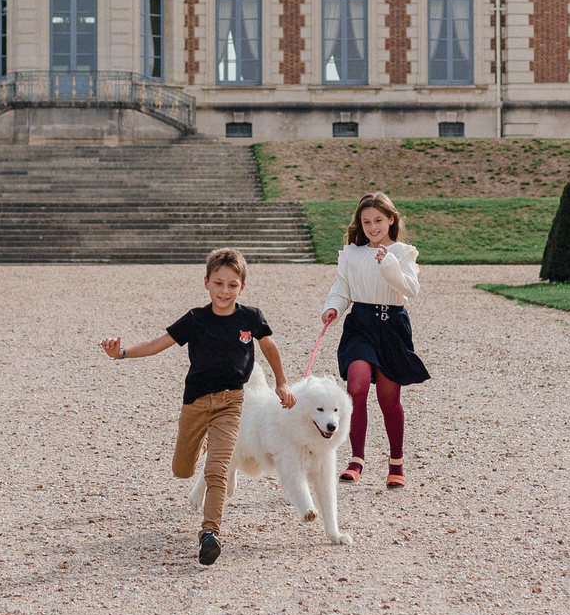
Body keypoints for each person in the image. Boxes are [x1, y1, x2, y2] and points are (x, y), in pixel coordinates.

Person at [102, 246, 290, 566]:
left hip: (231, 403)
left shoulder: (251, 318)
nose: (225, 290)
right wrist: (120, 353)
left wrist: (282, 383)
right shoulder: (195, 319)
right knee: (183, 469)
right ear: (206, 283)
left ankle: (210, 533)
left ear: (242, 287)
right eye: (218, 283)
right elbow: (155, 345)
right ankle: (201, 442)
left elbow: (270, 347)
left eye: (232, 285)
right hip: (195, 404)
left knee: (217, 470)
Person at [320, 191, 429, 488]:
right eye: (366, 222)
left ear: (391, 220)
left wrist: (390, 265)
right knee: (355, 387)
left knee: (388, 399)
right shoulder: (352, 254)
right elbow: (342, 288)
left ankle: (396, 463)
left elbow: (411, 290)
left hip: (393, 327)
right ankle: (356, 459)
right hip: (361, 323)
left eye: (378, 220)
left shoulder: (404, 253)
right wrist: (333, 307)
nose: (372, 227)